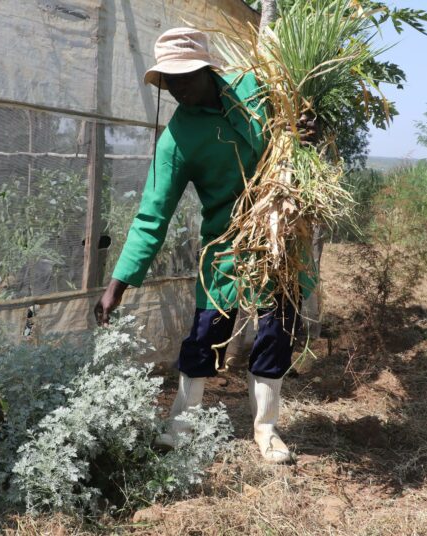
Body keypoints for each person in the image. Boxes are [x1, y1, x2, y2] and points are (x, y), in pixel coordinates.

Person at [93, 27, 316, 464]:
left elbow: (299, 127)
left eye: (184, 77)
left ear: (207, 70)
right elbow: (152, 215)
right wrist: (117, 285)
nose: (176, 87)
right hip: (227, 244)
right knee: (206, 333)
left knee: (276, 332)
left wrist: (306, 129)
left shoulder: (257, 89)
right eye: (169, 81)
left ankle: (266, 430)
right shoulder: (176, 140)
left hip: (280, 236)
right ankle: (181, 424)